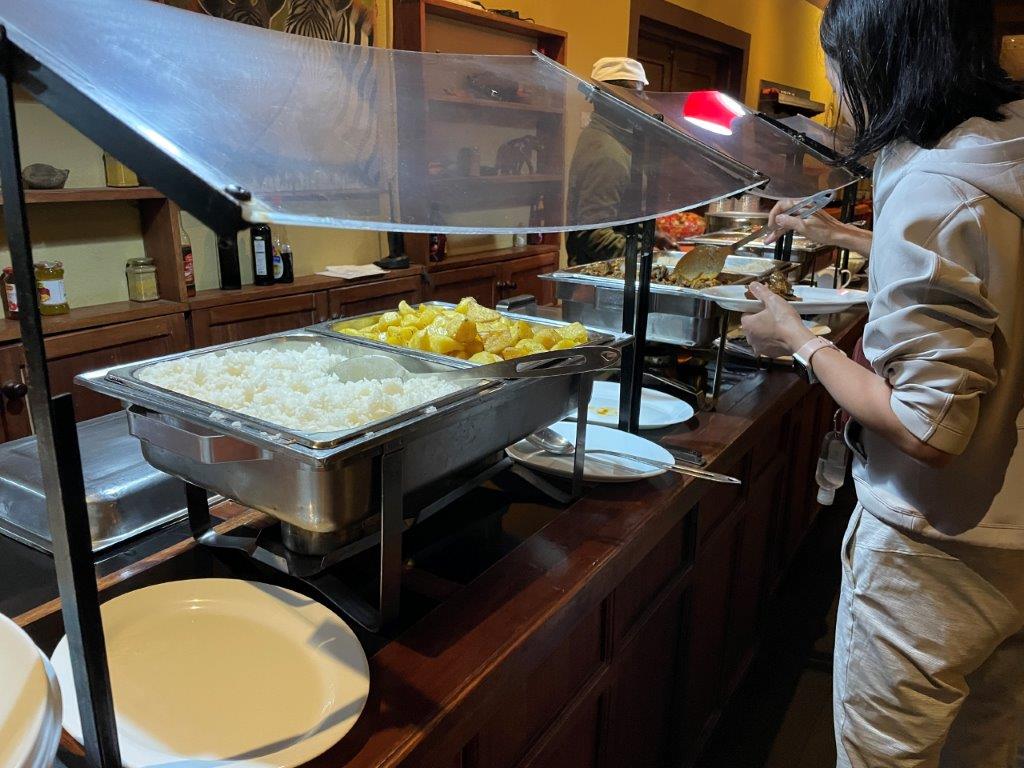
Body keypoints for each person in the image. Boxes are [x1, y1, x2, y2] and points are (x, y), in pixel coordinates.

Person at [740, 1, 1024, 766]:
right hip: (1016, 536)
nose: (837, 90)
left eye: (838, 65)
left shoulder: (933, 188)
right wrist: (847, 235)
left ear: (877, 61)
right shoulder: (1001, 150)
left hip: (939, 550)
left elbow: (930, 427)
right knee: (988, 750)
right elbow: (984, 261)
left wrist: (796, 340)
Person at [566, 57, 672, 266]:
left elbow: (620, 218)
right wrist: (649, 255)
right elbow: (594, 236)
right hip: (596, 280)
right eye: (638, 94)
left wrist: (651, 235)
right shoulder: (607, 152)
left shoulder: (610, 138)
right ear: (614, 98)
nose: (644, 102)